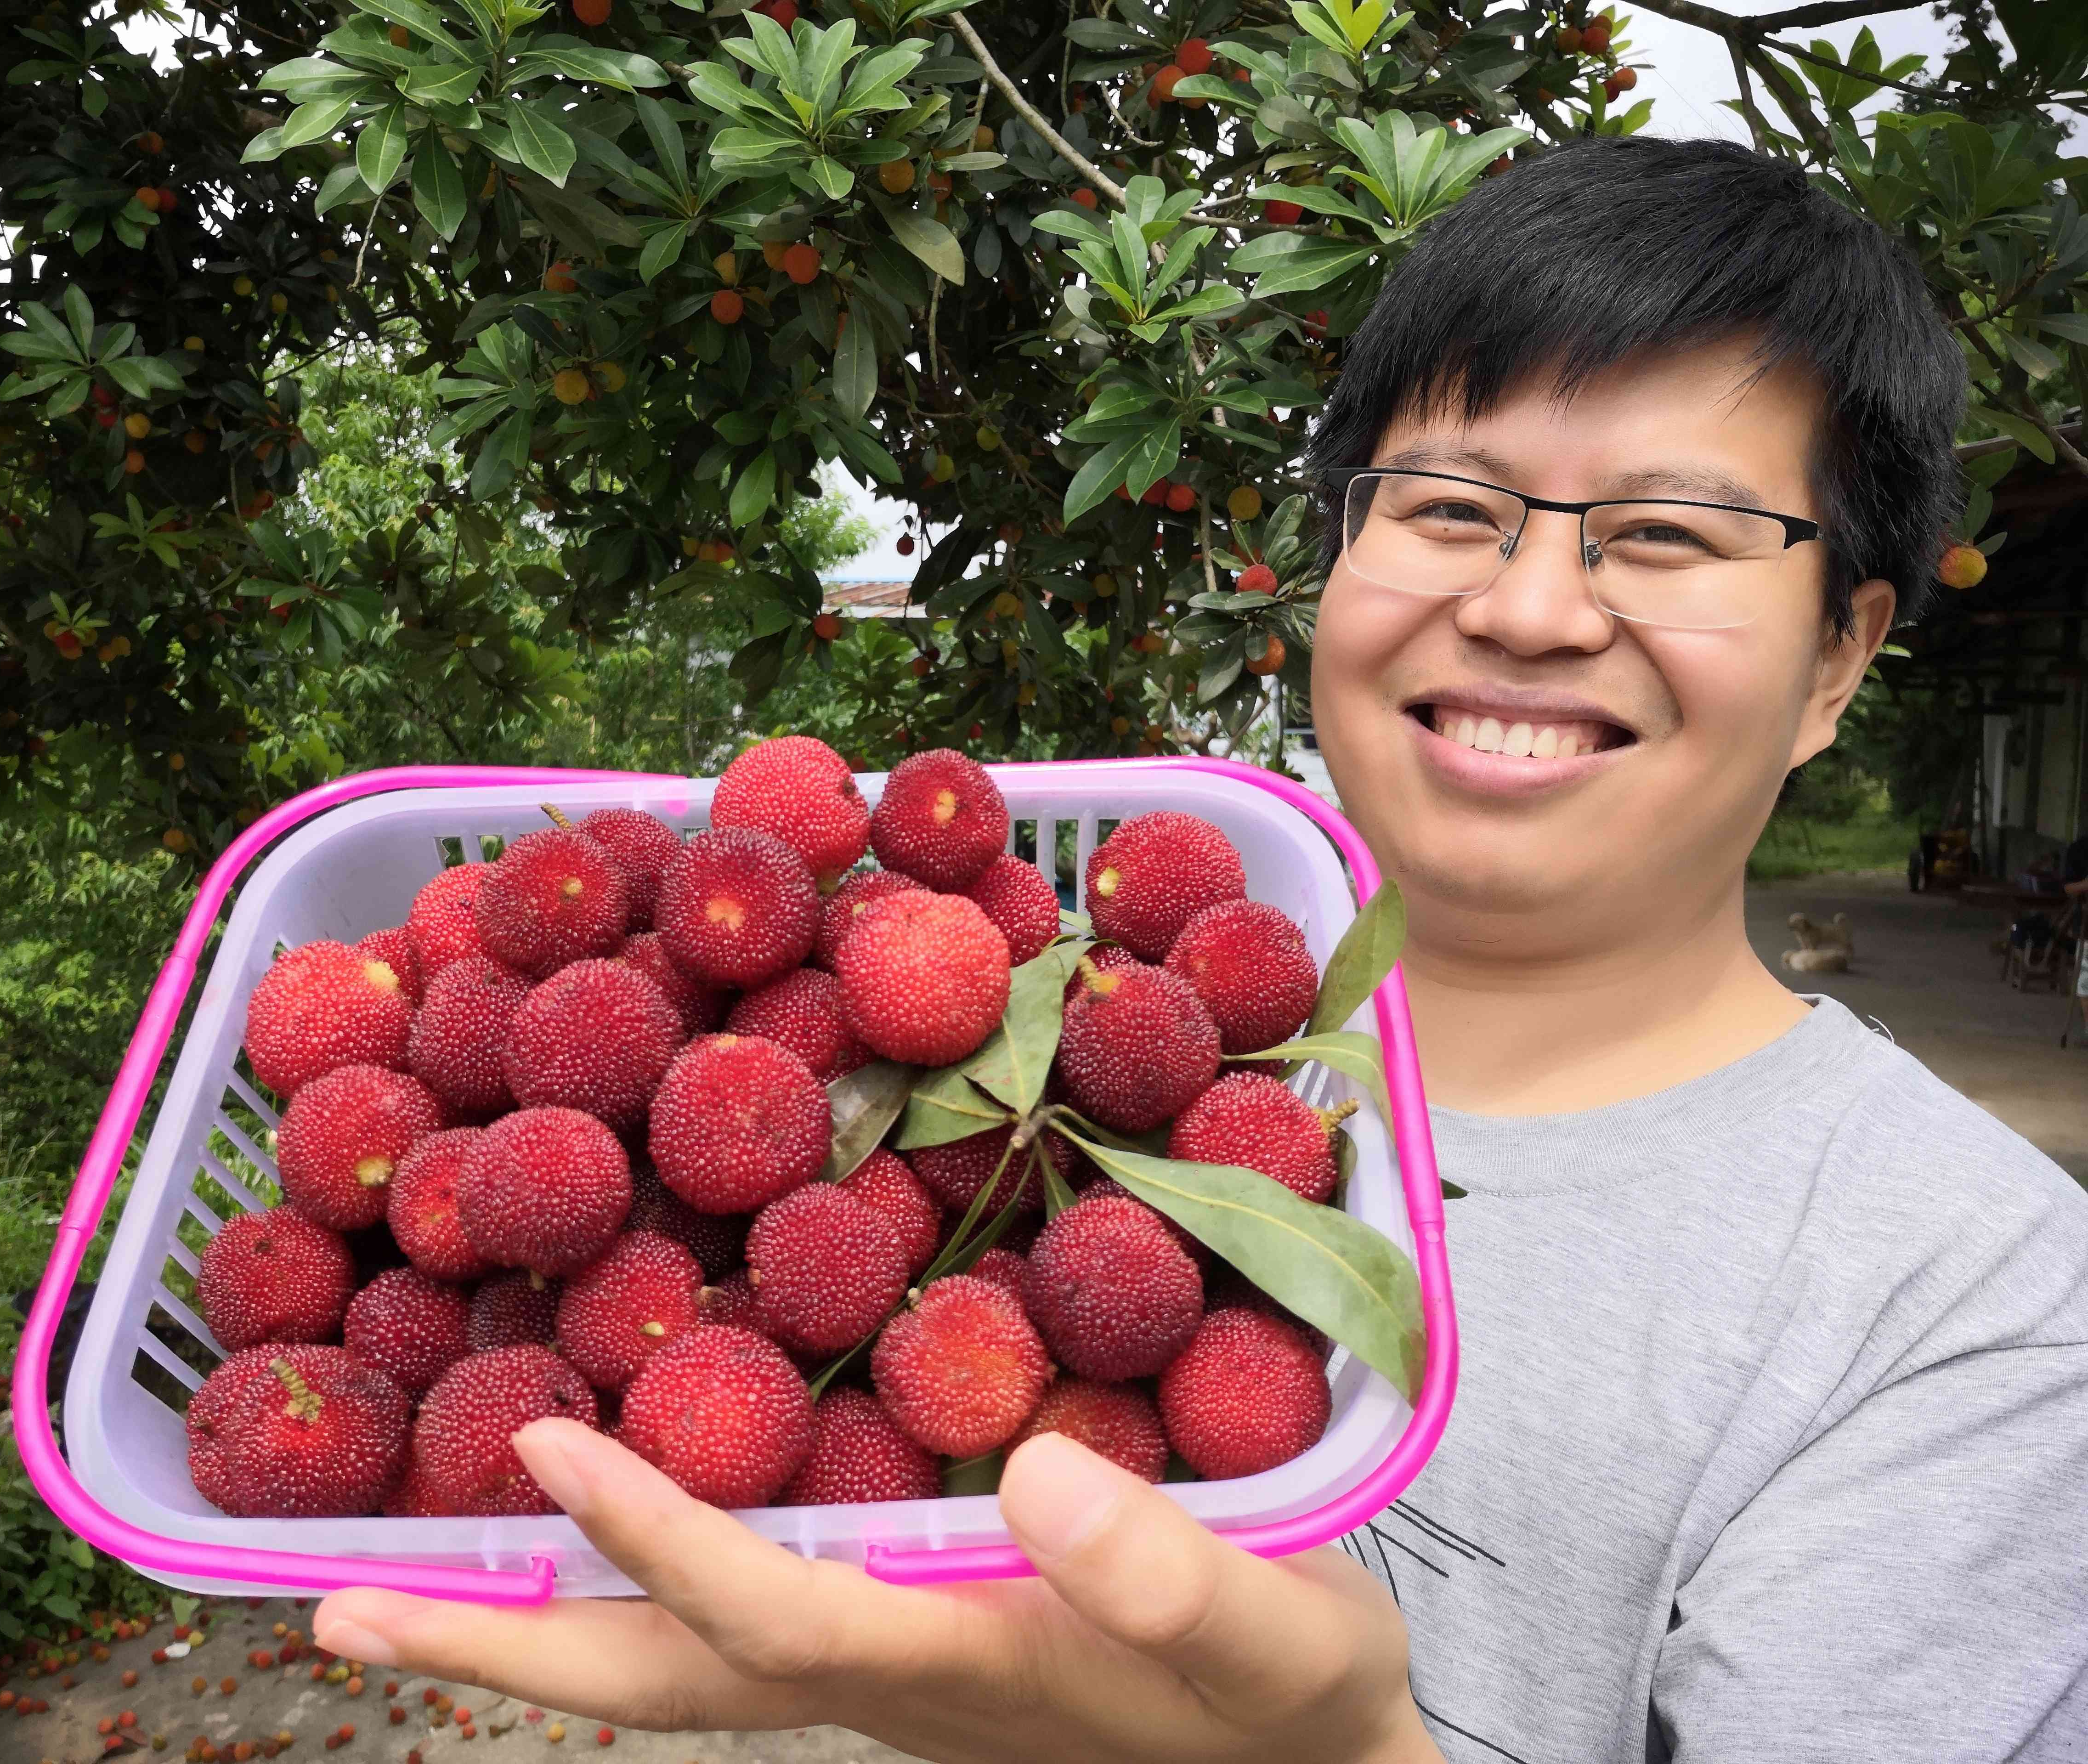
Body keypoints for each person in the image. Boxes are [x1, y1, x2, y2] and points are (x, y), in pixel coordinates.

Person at [310, 138, 2088, 1759]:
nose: (1532, 608)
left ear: (1838, 659)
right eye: (1451, 507)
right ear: (1330, 559)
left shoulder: (1970, 1310)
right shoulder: (1079, 981)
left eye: (1664, 536)